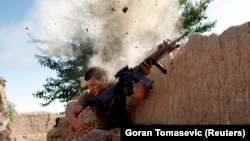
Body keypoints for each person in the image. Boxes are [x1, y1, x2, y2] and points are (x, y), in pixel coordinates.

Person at [66, 61, 152, 141]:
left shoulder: (118, 86)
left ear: (104, 80)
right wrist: (76, 124)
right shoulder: (88, 94)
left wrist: (143, 77)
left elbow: (142, 96)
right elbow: (72, 113)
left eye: (93, 85)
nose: (90, 89)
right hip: (100, 132)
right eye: (88, 86)